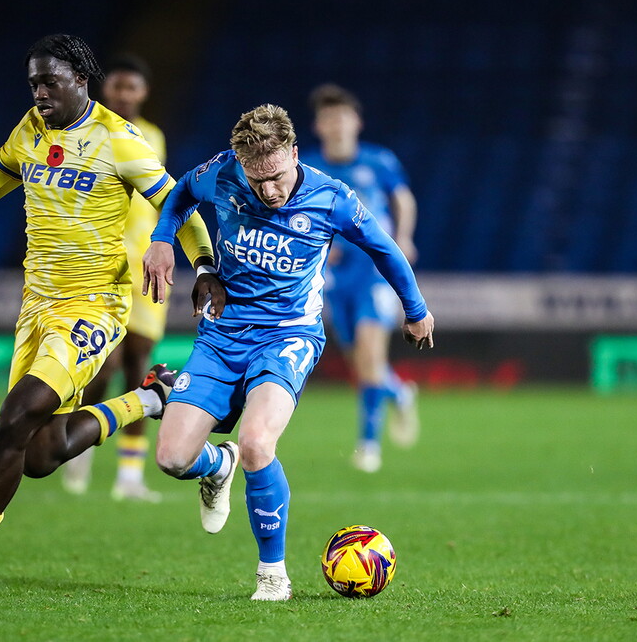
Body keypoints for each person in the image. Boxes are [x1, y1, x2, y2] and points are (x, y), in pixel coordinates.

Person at [0, 34, 215, 598]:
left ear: (81, 81)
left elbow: (176, 203)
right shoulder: (31, 130)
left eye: (50, 82)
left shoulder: (120, 139)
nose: (40, 93)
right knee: (39, 454)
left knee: (13, 419)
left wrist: (205, 265)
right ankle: (152, 399)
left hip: (94, 305)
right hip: (36, 307)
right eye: (34, 83)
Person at [142, 104, 434, 601]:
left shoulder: (332, 196)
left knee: (258, 443)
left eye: (276, 177)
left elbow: (384, 247)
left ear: (294, 154)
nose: (269, 191)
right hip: (221, 334)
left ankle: (272, 573)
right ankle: (217, 466)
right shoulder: (223, 172)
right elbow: (179, 196)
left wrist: (416, 309)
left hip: (288, 335)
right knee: (171, 458)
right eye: (257, 182)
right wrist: (164, 240)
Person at [62, 54, 171, 502]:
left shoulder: (154, 136)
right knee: (100, 364)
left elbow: (159, 194)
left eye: (132, 88)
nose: (124, 94)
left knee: (139, 365)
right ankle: (76, 449)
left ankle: (129, 476)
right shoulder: (89, 131)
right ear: (106, 90)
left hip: (145, 261)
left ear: (143, 93)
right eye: (118, 87)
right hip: (104, 260)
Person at [299, 83, 422, 473]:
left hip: (373, 270)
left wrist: (402, 239)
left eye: (342, 116)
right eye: (328, 117)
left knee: (370, 356)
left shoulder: (378, 160)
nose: (335, 124)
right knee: (360, 364)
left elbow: (403, 199)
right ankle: (399, 392)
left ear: (357, 122)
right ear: (318, 126)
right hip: (335, 277)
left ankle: (368, 445)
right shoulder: (310, 168)